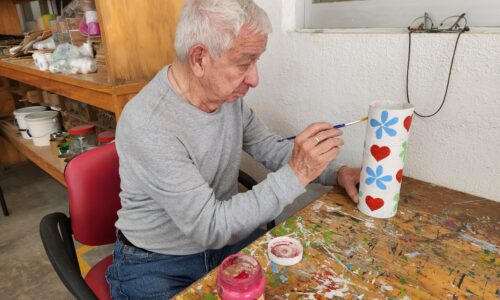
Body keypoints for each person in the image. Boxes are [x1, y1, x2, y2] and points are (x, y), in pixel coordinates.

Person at [105, 0, 361, 298]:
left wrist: (335, 172)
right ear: (199, 59)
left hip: (223, 245)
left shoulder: (228, 100)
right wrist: (297, 174)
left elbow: (269, 147)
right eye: (244, 63)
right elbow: (211, 226)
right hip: (157, 261)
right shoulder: (149, 124)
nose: (254, 79)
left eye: (256, 62)